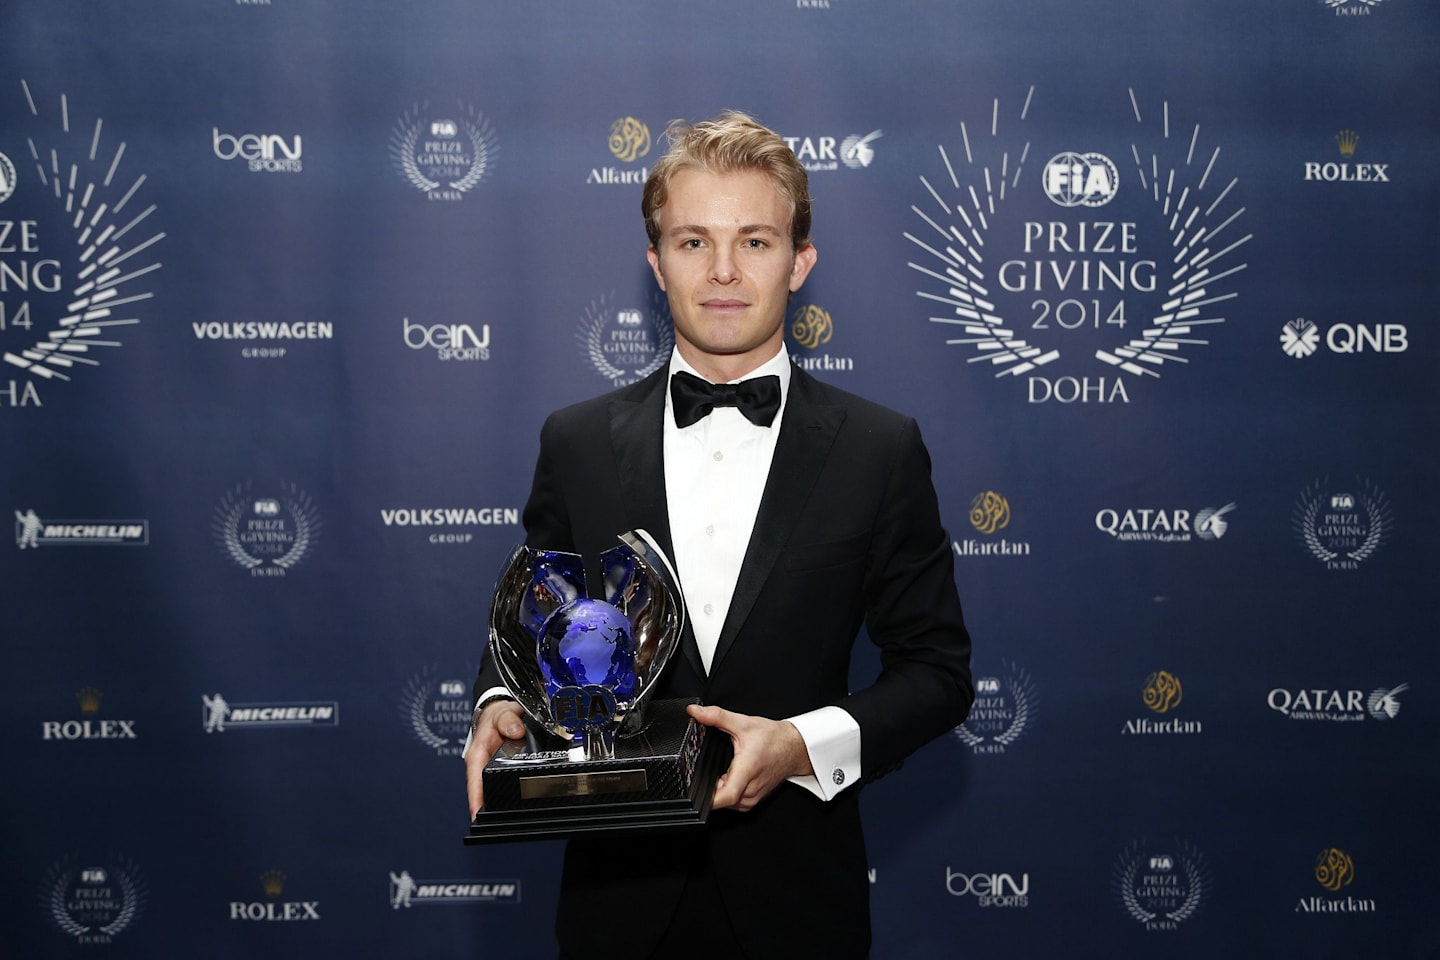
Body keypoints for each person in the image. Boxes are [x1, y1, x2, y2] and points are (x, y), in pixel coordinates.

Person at [465, 110, 973, 959]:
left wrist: (803, 745)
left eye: (757, 242)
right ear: (657, 263)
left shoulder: (880, 449)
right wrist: (499, 702)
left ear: (800, 262)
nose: (726, 272)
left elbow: (938, 673)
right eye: (694, 242)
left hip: (798, 906)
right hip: (615, 906)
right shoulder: (577, 441)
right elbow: (534, 616)